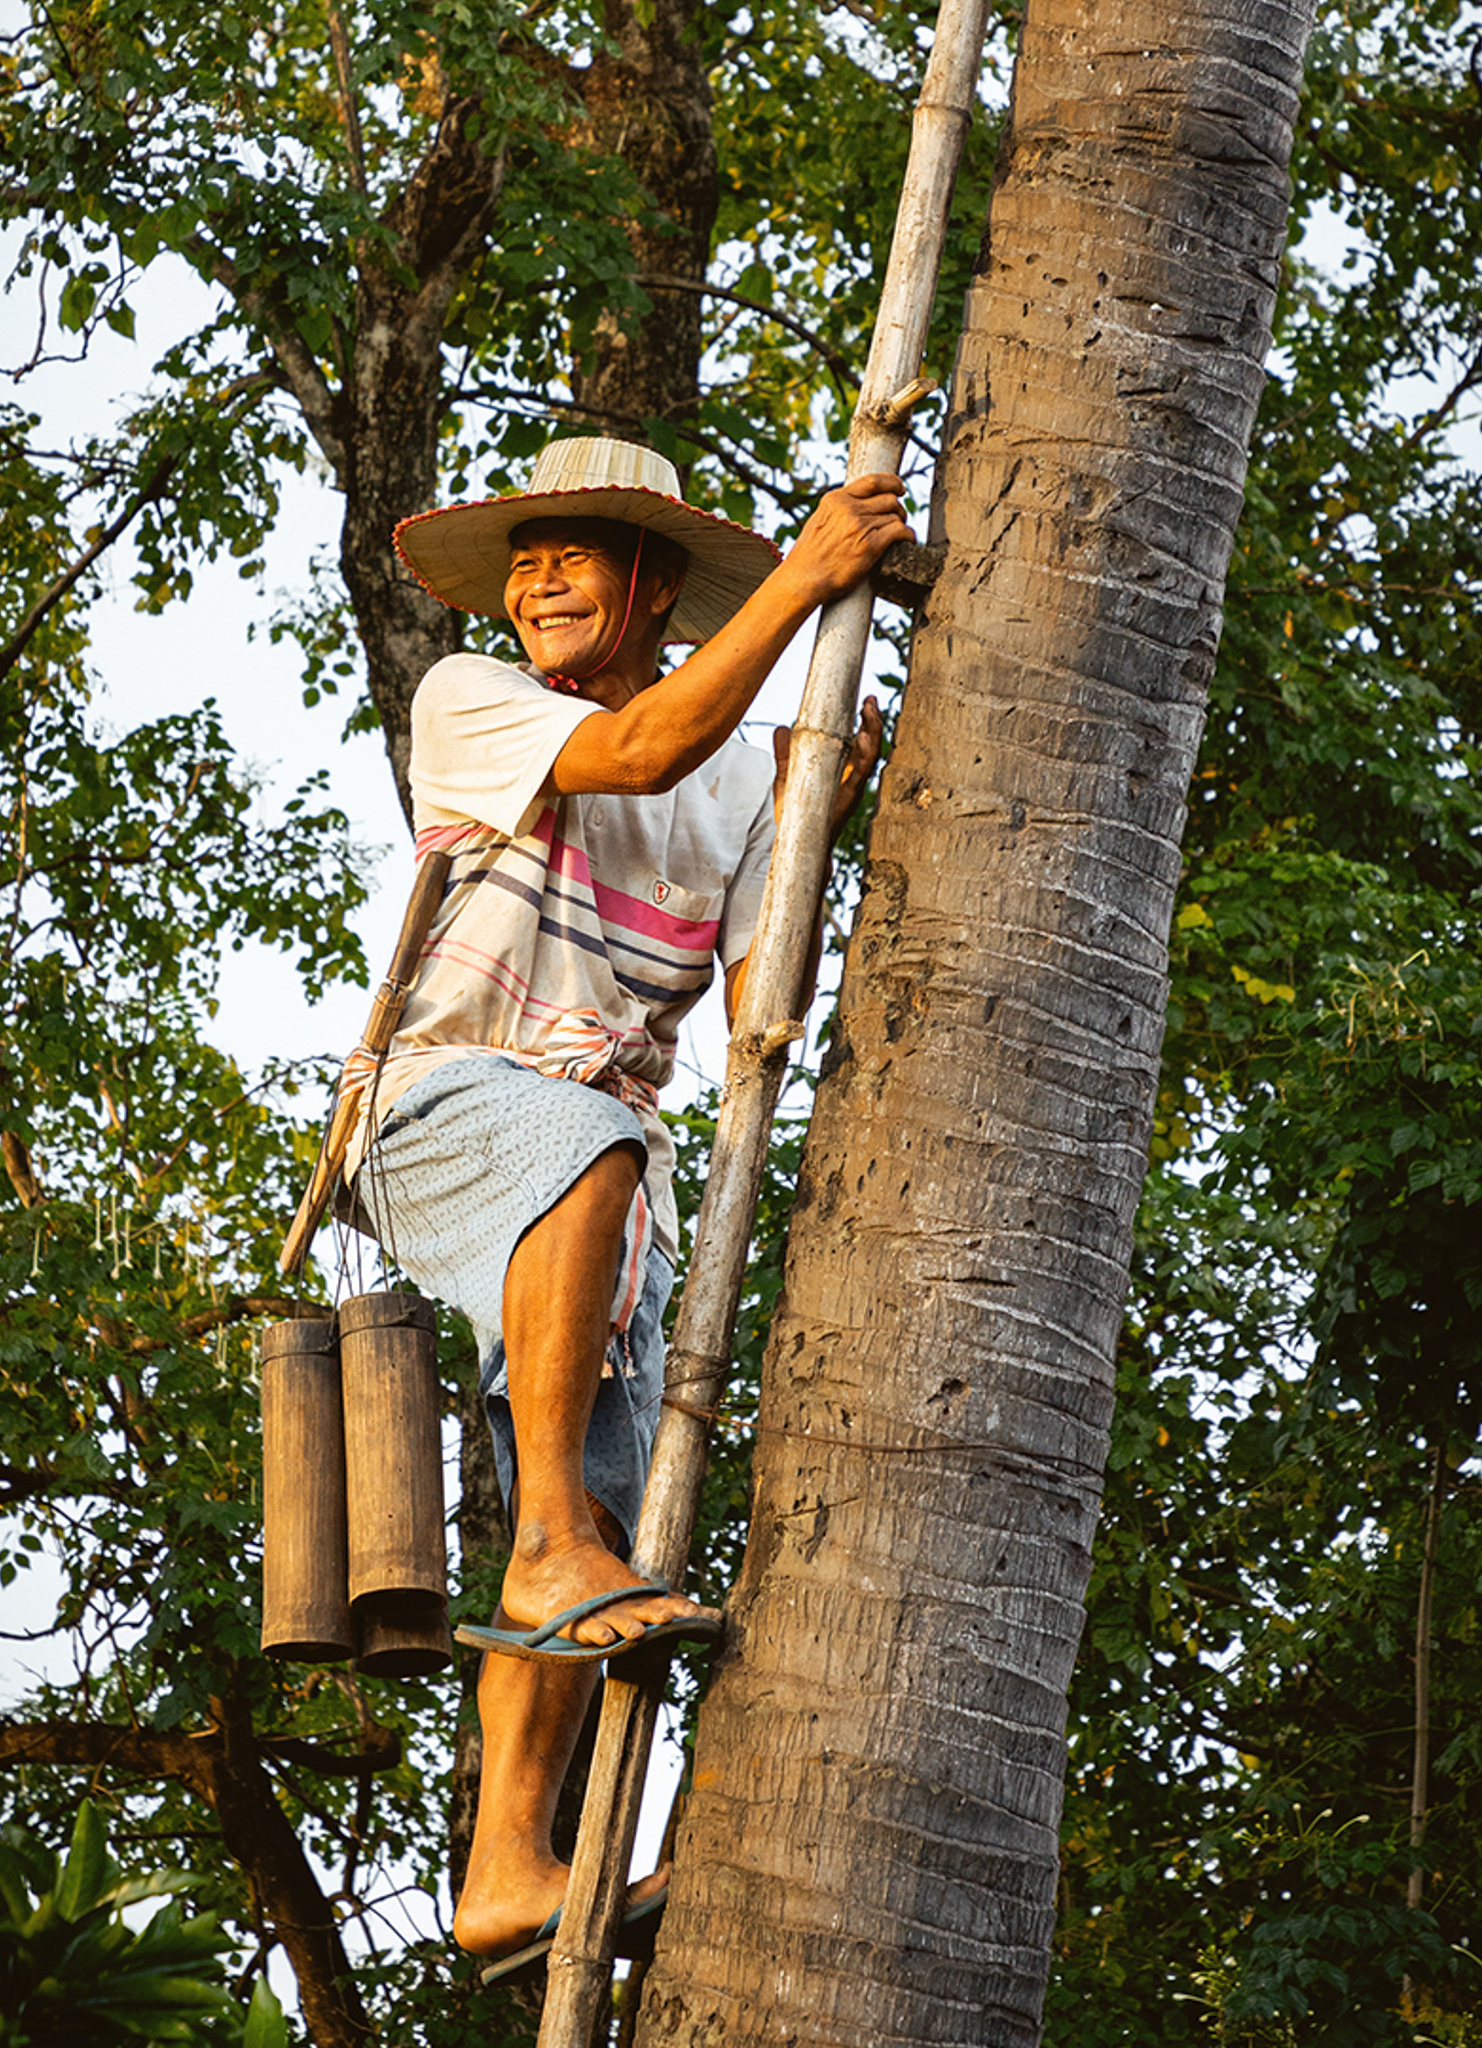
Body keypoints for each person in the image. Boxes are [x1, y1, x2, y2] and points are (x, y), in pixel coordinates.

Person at [339, 435, 911, 1961]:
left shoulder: (730, 779)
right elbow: (644, 745)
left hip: (606, 1170)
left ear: (653, 581)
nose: (534, 577)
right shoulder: (473, 702)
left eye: (574, 551)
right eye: (524, 554)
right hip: (437, 1102)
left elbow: (756, 999)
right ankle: (536, 1540)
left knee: (603, 1500)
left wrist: (808, 830)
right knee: (578, 1148)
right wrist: (807, 570)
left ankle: (507, 1870)